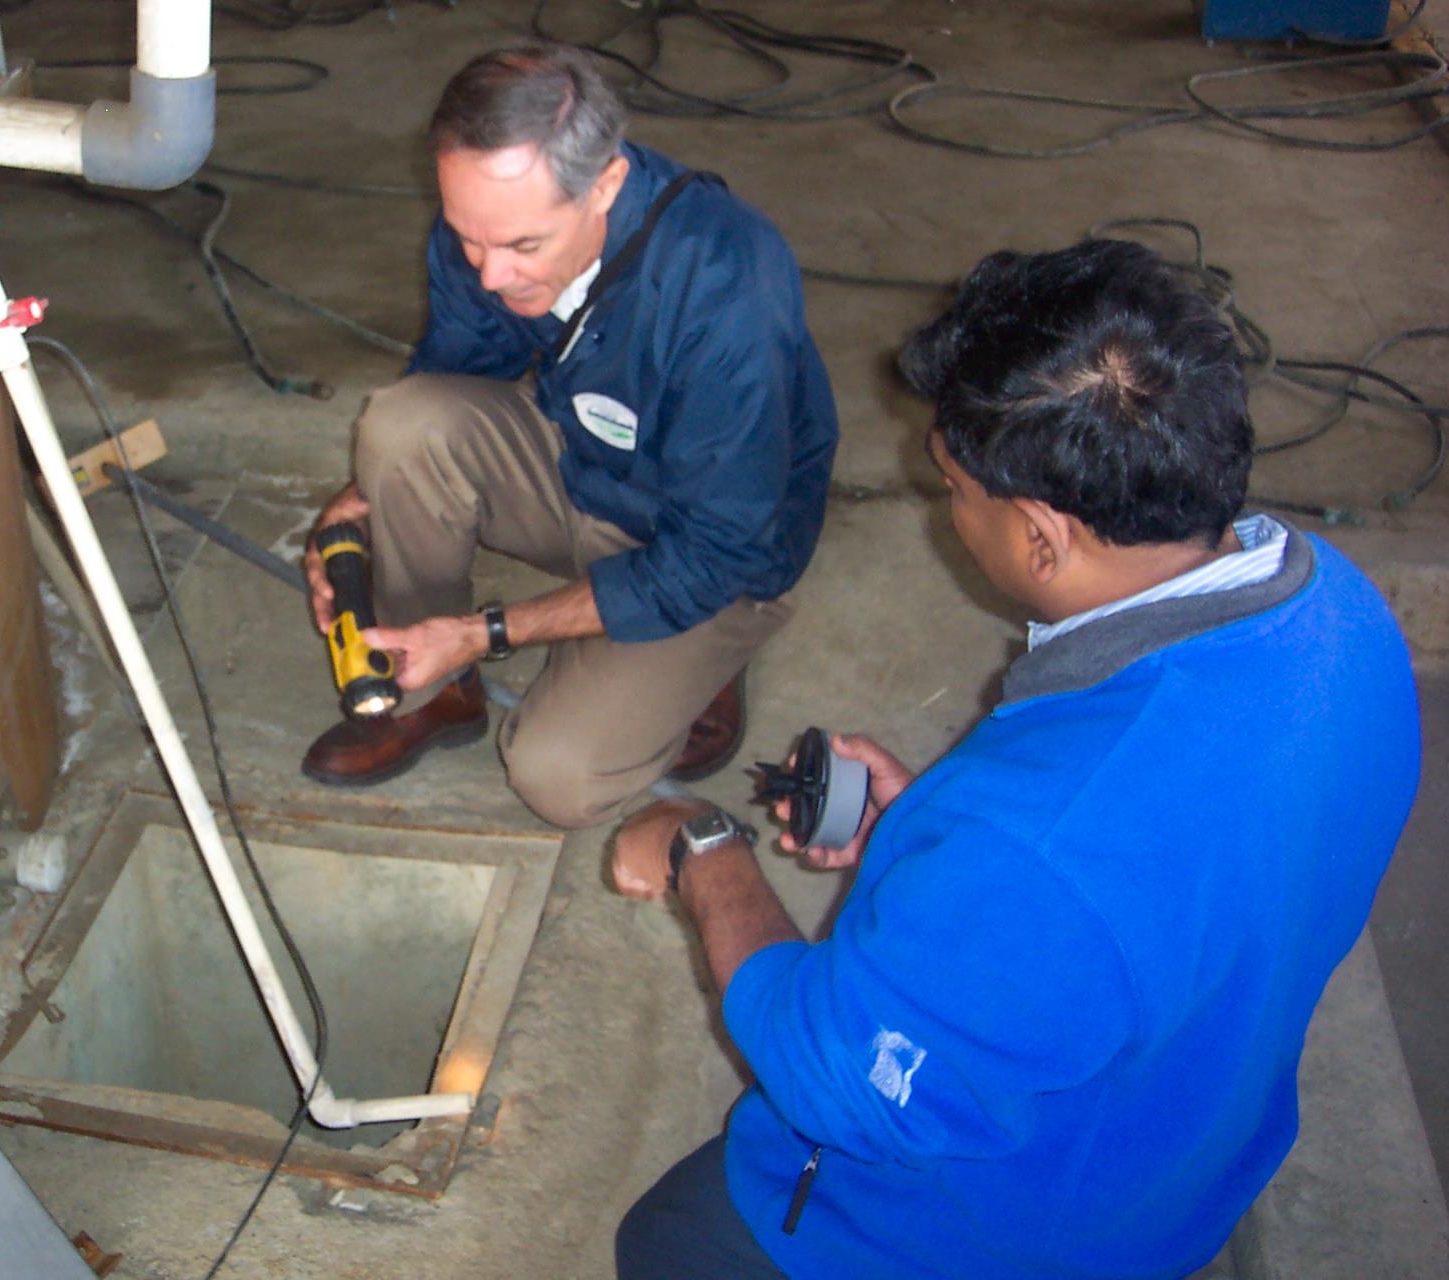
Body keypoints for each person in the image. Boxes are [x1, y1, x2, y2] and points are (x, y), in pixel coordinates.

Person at [607, 239, 1422, 1278]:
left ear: (1043, 535)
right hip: (1182, 1159)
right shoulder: (1339, 610)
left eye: (952, 486)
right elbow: (1154, 873)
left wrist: (705, 847)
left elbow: (830, 1071)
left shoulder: (1039, 846)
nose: (948, 509)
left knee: (664, 1240)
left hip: (1006, 1235)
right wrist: (934, 840)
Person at [299, 44, 839, 828]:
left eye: (523, 247)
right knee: (400, 424)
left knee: (558, 779)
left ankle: (709, 656)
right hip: (588, 467)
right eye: (468, 238)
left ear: (607, 185)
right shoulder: (488, 230)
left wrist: (485, 631)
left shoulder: (725, 283)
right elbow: (454, 369)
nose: (488, 274)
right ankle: (433, 685)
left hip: (715, 549)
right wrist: (355, 512)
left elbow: (717, 550)